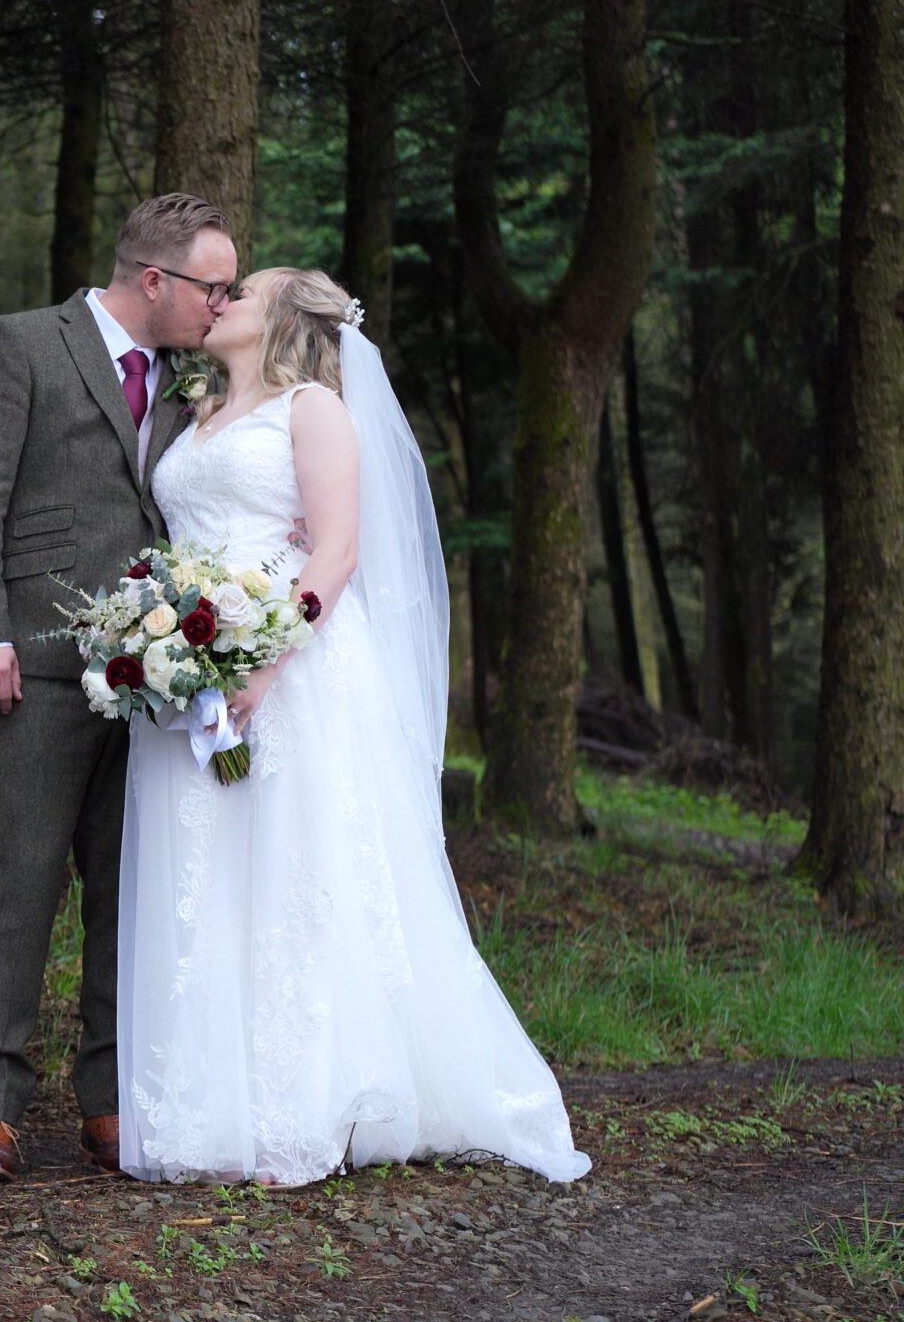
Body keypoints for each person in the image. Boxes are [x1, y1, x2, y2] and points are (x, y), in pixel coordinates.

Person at [116, 267, 591, 1187]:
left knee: (295, 876)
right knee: (204, 880)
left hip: (290, 674)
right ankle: (208, 1108)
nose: (222, 304)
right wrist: (161, 640)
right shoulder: (196, 411)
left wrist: (263, 662)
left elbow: (337, 551)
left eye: (241, 295)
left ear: (283, 321)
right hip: (193, 676)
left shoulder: (314, 412)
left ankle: (304, 1105)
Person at [0, 193, 232, 1181]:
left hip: (157, 674)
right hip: (39, 663)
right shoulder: (20, 344)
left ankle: (106, 1102)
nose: (219, 306)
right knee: (19, 882)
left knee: (126, 894)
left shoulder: (198, 376)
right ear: (154, 279)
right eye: (209, 287)